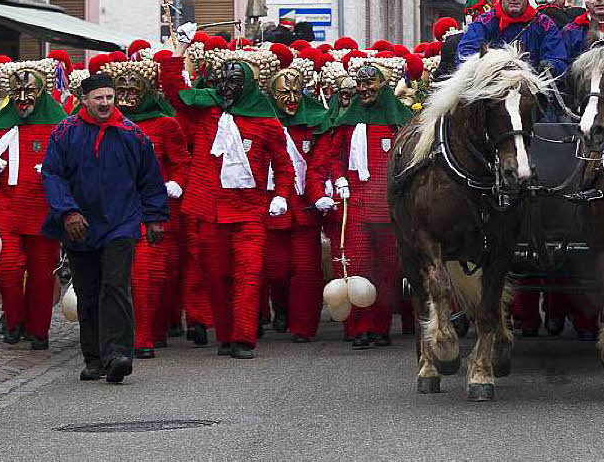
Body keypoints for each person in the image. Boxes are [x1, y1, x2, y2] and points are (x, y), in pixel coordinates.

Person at [161, 41, 294, 359]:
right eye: (222, 80)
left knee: (248, 276)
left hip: (249, 212)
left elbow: (284, 166)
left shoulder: (267, 123)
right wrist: (178, 51)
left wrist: (281, 196)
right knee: (215, 278)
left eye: (234, 81)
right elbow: (174, 92)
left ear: (247, 85)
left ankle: (244, 338)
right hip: (209, 211)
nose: (226, 87)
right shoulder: (205, 115)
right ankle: (225, 335)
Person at [41, 72, 168, 384]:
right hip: (80, 225)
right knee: (88, 291)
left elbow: (150, 178)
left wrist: (154, 217)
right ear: (84, 100)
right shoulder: (65, 131)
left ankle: (118, 354)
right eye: (98, 98)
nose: (105, 103)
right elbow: (53, 175)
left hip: (121, 222)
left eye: (109, 97)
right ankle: (94, 358)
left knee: (115, 285)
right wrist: (67, 212)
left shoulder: (131, 133)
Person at [98, 55, 191, 359]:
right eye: (119, 92)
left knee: (148, 275)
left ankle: (146, 336)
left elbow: (181, 164)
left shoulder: (165, 125)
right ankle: (123, 335)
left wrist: (175, 183)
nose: (125, 98)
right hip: (113, 210)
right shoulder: (106, 124)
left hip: (150, 210)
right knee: (116, 278)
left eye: (132, 92)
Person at [0, 59, 66, 347]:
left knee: (42, 273)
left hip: (43, 207)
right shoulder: (0, 122)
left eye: (29, 92)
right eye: (17, 92)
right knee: (6, 267)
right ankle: (13, 318)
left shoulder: (59, 124)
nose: (23, 99)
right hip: (8, 204)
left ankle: (38, 328)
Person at [329, 60, 414, 348]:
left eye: (369, 83)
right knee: (358, 267)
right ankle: (360, 328)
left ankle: (381, 327)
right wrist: (339, 178)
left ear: (383, 86)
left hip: (388, 207)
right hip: (354, 205)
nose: (363, 89)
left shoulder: (400, 120)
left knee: (388, 269)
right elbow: (333, 156)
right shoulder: (347, 121)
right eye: (360, 83)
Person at [264, 64, 340, 342]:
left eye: (296, 91)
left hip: (305, 207)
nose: (292, 98)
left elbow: (320, 163)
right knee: (276, 268)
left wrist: (318, 193)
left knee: (306, 270)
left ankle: (304, 326)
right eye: (284, 92)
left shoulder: (316, 121)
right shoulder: (262, 121)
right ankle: (281, 307)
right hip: (272, 205)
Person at [455, 0, 567, 75]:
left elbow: (557, 58)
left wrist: (550, 66)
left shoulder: (544, 24)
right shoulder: (483, 23)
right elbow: (465, 55)